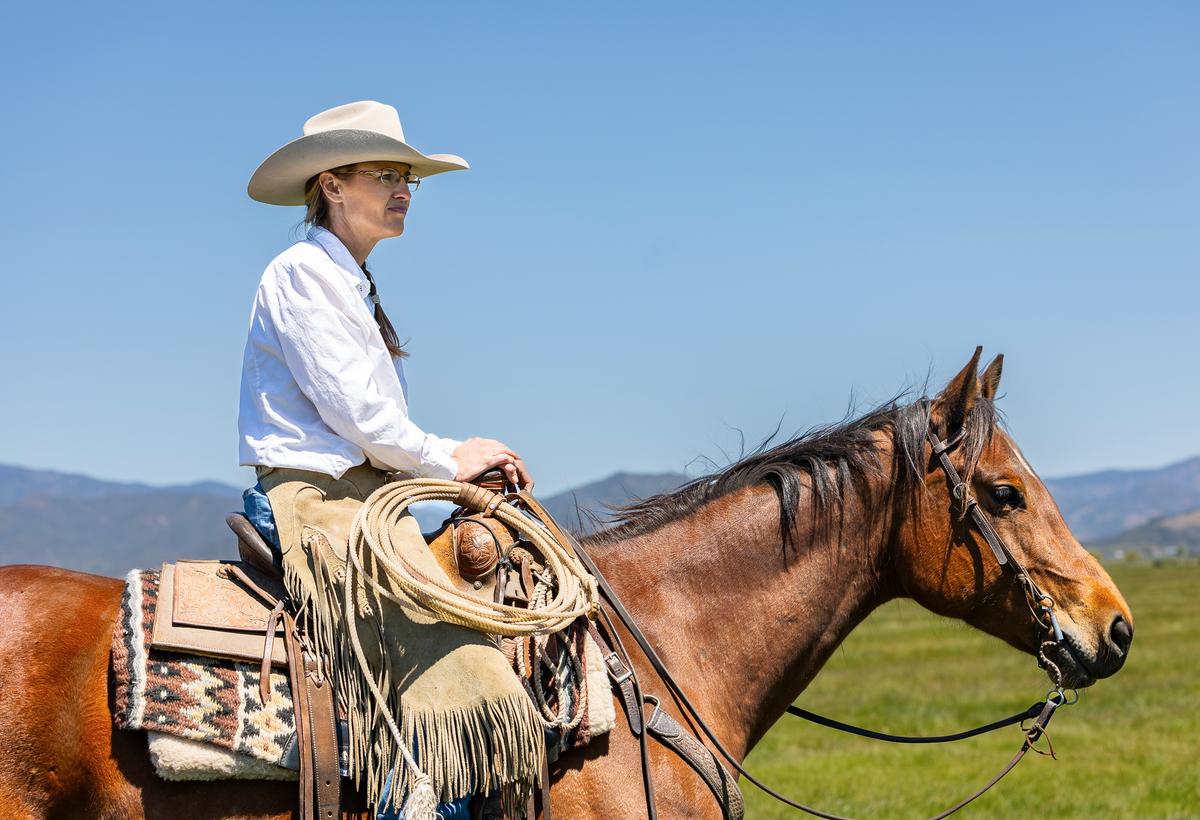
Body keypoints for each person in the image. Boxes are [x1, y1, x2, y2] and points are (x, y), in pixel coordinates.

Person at [240, 100, 536, 818]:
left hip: (362, 500)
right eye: (385, 174)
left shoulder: (347, 280)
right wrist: (449, 458)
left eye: (408, 177)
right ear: (331, 185)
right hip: (318, 503)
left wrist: (444, 470)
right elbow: (356, 413)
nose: (403, 190)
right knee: (444, 679)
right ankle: (417, 798)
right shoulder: (302, 272)